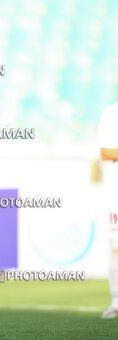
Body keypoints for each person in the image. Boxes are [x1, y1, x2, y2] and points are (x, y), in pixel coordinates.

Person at [97, 102, 118, 319]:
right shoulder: (112, 113)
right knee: (117, 247)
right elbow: (106, 151)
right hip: (117, 193)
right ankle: (116, 302)